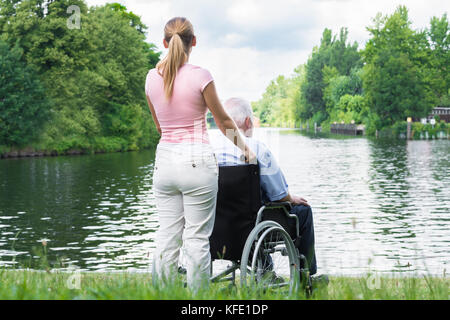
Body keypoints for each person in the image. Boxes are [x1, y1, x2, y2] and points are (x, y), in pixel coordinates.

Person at [145, 18, 255, 289]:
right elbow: (224, 122)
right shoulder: (201, 76)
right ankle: (199, 303)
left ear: (164, 43)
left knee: (167, 237)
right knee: (196, 240)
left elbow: (160, 127)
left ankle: (163, 295)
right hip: (196, 163)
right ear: (193, 41)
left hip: (164, 163)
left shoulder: (150, 79)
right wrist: (246, 151)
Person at [210, 97, 326, 283]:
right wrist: (291, 198)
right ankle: (306, 278)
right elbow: (279, 195)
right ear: (248, 121)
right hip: (251, 226)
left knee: (250, 219)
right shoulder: (255, 148)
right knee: (302, 211)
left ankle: (266, 272)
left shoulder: (209, 148)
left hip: (217, 227)